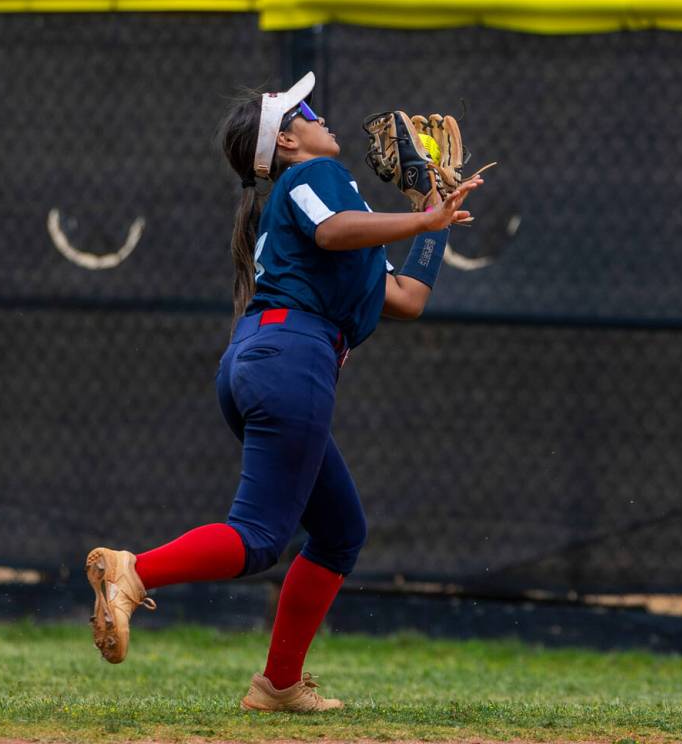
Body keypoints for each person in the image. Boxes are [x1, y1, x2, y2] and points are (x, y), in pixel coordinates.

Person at [85, 72, 483, 713]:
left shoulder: (331, 213)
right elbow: (334, 231)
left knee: (339, 532)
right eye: (303, 110)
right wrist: (419, 215)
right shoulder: (316, 179)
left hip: (263, 360)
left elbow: (406, 299)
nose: (319, 115)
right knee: (260, 537)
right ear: (289, 144)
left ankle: (278, 685)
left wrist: (432, 214)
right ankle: (133, 573)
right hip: (290, 360)